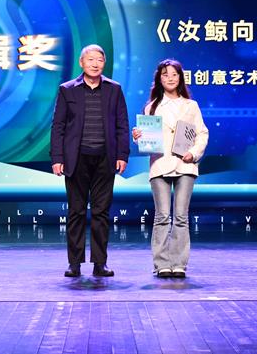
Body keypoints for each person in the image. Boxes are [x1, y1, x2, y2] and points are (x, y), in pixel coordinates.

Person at [50, 44, 130, 277]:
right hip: (76, 159)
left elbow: (122, 125)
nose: (95, 64)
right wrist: (57, 158)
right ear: (81, 62)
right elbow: (58, 126)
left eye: (99, 60)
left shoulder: (114, 89)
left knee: (101, 212)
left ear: (104, 63)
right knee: (76, 211)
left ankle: (99, 263)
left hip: (105, 158)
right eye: (90, 59)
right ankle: (74, 263)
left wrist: (122, 155)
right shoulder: (67, 90)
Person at [132, 58, 208, 278]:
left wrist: (193, 153)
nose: (170, 78)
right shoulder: (152, 107)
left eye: (174, 74)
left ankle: (179, 263)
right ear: (159, 78)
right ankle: (162, 263)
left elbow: (202, 133)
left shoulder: (191, 106)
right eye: (165, 74)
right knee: (163, 215)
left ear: (181, 78)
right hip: (160, 164)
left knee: (181, 216)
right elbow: (147, 139)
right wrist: (138, 136)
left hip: (185, 164)